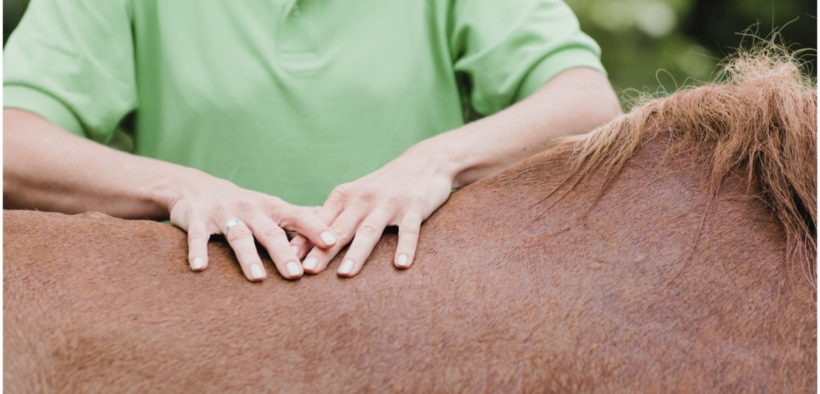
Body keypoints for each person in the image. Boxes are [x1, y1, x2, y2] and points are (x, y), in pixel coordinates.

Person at [3, 0, 621, 282]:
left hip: (414, 317)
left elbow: (588, 103)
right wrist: (182, 188)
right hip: (199, 318)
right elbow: (11, 141)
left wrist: (434, 162)